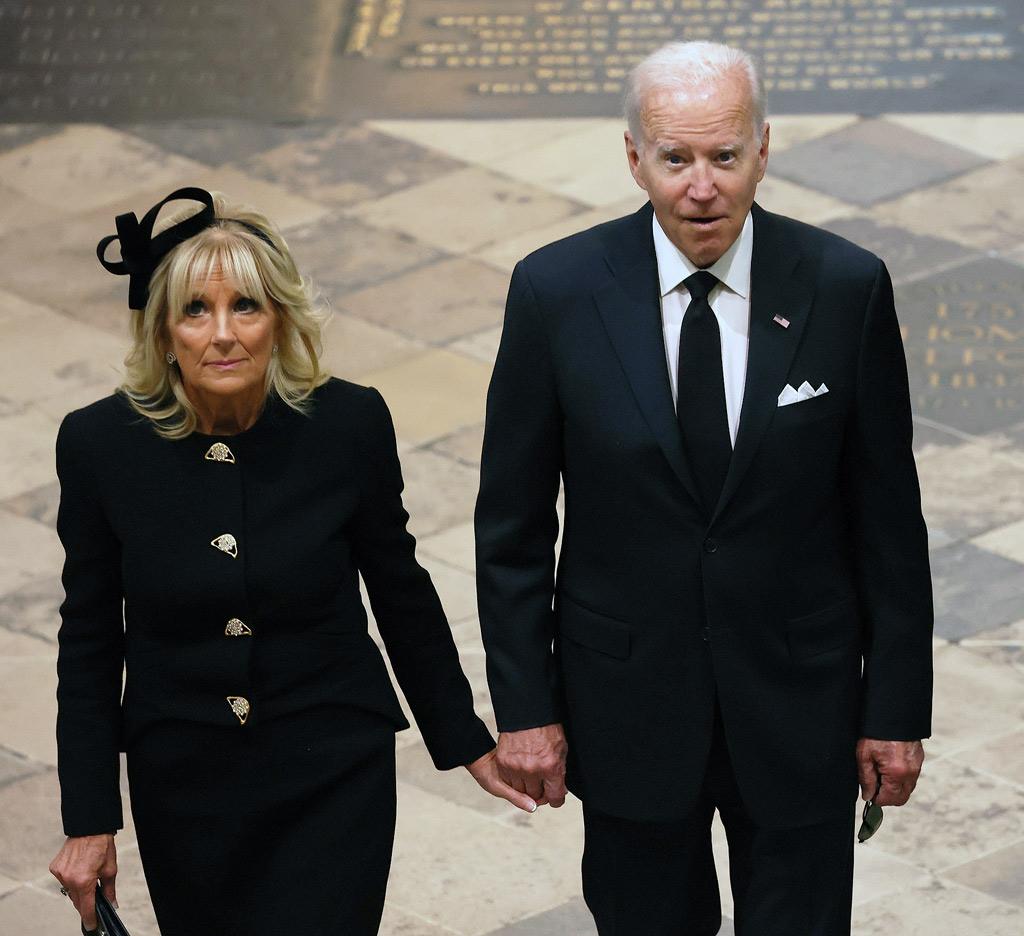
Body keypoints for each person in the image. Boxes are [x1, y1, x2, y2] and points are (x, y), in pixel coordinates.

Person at [475, 42, 933, 935]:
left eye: (725, 157)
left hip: (800, 703)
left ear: (764, 149)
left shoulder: (845, 287)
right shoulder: (555, 291)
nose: (702, 187)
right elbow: (513, 529)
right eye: (676, 158)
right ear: (634, 156)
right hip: (628, 709)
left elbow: (888, 522)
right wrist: (527, 711)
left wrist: (896, 711)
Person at [48, 187, 533, 936]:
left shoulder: (348, 423)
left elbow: (399, 589)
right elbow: (88, 639)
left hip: (331, 765)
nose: (222, 335)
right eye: (194, 311)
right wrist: (88, 817)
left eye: (245, 306)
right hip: (184, 778)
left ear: (280, 318)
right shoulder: (99, 446)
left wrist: (463, 737)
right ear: (162, 331)